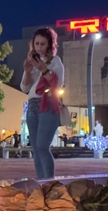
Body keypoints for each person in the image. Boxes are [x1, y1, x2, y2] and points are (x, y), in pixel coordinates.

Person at [20, 27, 64, 179]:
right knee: (36, 149)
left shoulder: (55, 62)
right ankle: (41, 182)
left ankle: (49, 182)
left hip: (47, 105)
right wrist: (27, 71)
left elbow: (57, 84)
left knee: (42, 147)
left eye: (42, 44)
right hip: (32, 106)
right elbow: (25, 87)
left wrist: (44, 69)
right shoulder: (32, 62)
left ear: (50, 45)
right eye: (36, 44)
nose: (39, 47)